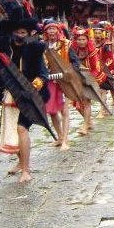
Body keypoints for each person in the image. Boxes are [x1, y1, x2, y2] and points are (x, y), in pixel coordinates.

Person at [0, 4, 50, 182]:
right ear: (12, 32)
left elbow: (44, 75)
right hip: (10, 96)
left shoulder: (36, 50)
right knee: (12, 129)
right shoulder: (4, 51)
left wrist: (31, 88)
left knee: (21, 129)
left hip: (29, 97)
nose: (20, 35)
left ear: (28, 34)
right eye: (17, 32)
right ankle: (21, 162)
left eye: (23, 33)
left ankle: (26, 170)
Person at [42, 20, 80, 150]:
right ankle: (59, 137)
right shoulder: (42, 45)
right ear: (45, 31)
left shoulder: (66, 44)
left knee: (64, 110)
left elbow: (75, 63)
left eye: (54, 29)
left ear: (58, 31)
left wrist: (68, 72)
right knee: (52, 111)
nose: (51, 31)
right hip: (49, 81)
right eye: (49, 29)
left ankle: (65, 140)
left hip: (64, 82)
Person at [71, 28, 109, 135]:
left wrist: (88, 78)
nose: (81, 42)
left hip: (89, 80)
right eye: (79, 40)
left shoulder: (92, 52)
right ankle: (89, 121)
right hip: (76, 81)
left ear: (87, 40)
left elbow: (96, 68)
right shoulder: (73, 51)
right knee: (78, 106)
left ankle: (85, 126)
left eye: (83, 39)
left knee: (86, 103)